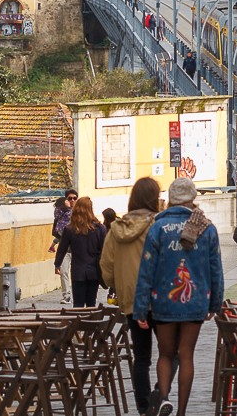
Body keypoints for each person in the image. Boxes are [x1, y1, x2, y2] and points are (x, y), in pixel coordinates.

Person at [134, 178, 224, 416]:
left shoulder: (157, 227)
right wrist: (214, 303)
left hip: (163, 299)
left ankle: (163, 397)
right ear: (193, 198)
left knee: (165, 354)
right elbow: (216, 268)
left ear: (171, 199)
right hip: (195, 301)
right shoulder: (206, 227)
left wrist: (141, 308)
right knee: (186, 355)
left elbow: (146, 271)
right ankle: (182, 412)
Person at [101, 177, 161, 416]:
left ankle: (144, 406)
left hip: (131, 301)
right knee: (171, 353)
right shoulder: (158, 225)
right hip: (159, 297)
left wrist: (119, 285)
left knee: (141, 356)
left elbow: (106, 267)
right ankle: (160, 392)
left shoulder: (116, 230)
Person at [54, 196, 106, 307]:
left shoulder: (70, 229)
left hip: (78, 270)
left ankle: (79, 324)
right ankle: (91, 323)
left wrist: (57, 264)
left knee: (78, 304)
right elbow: (104, 250)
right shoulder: (99, 228)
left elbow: (62, 248)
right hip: (94, 270)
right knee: (91, 303)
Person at [51, 188, 78, 304]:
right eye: (70, 198)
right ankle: (66, 295)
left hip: (77, 248)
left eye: (74, 198)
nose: (72, 200)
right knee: (64, 272)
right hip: (65, 249)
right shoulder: (62, 213)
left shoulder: (80, 213)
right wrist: (55, 242)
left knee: (76, 273)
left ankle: (77, 294)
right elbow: (60, 231)